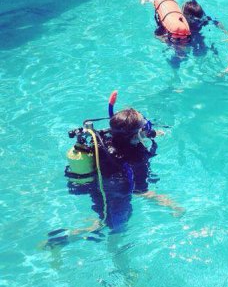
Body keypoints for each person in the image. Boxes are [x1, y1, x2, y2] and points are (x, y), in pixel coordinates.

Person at [49, 94, 183, 245]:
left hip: (97, 185)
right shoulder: (136, 156)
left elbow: (125, 137)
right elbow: (140, 191)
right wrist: (170, 204)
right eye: (143, 127)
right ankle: (120, 263)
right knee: (118, 230)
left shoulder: (103, 140)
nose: (147, 128)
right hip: (117, 195)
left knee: (103, 221)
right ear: (137, 134)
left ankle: (59, 240)